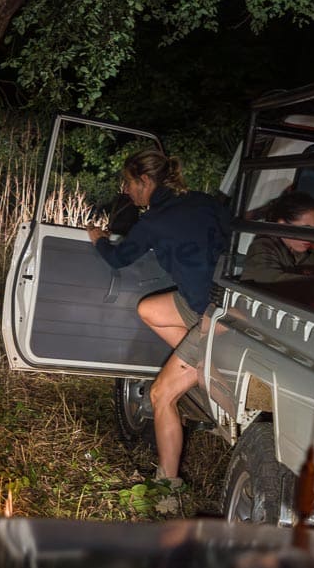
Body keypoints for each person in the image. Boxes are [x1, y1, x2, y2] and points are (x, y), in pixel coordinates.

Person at [86, 150, 227, 487]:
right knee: (149, 308)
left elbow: (119, 259)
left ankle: (169, 484)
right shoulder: (204, 201)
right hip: (211, 302)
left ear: (145, 181)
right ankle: (202, 365)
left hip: (211, 317)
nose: (128, 192)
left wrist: (98, 240)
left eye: (130, 184)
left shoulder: (153, 222)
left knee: (160, 395)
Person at [240, 192, 314, 303]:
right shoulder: (263, 246)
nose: (312, 237)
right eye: (306, 230)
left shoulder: (308, 250)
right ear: (283, 225)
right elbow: (271, 280)